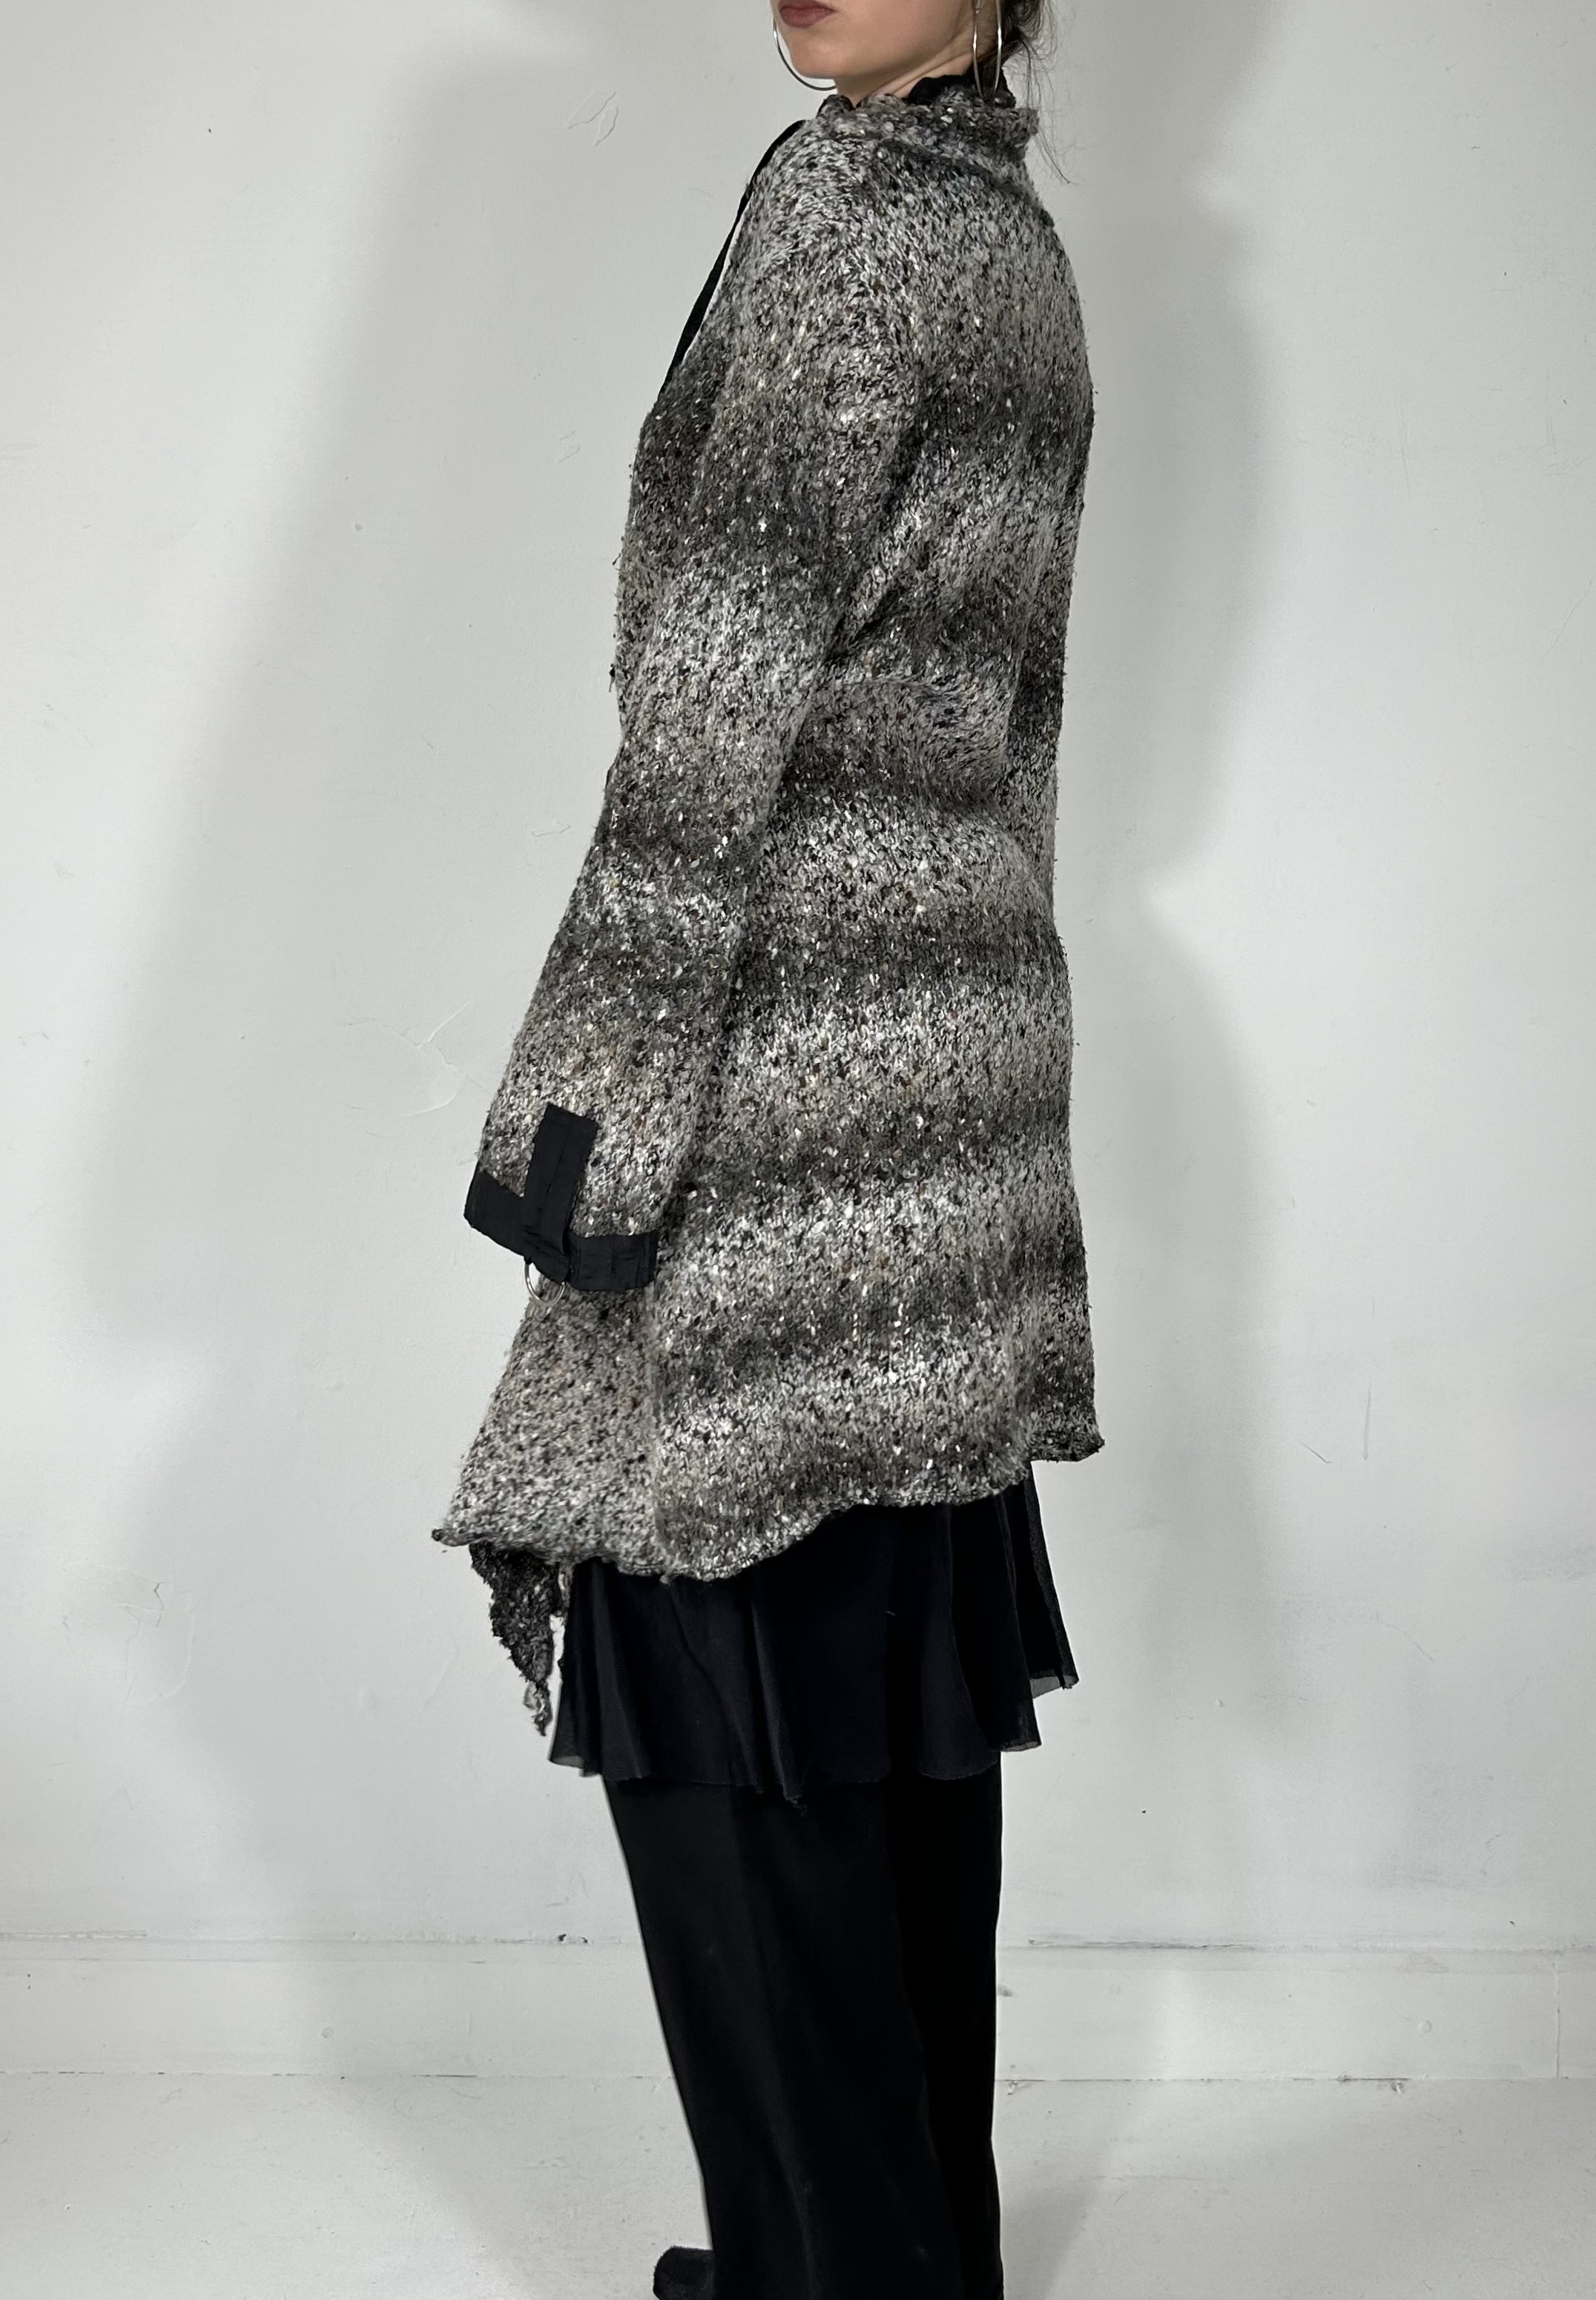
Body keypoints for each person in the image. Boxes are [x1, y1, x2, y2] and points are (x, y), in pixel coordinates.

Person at [433, 4, 1099, 2293]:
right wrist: (991, 1062)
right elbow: (1024, 731)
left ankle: (831, 2273)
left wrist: (579, 1138)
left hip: (778, 1045)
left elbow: (711, 717)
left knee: (717, 1694)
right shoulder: (1017, 242)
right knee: (882, 1701)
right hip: (957, 1041)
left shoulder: (843, 212)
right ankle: (908, 2262)